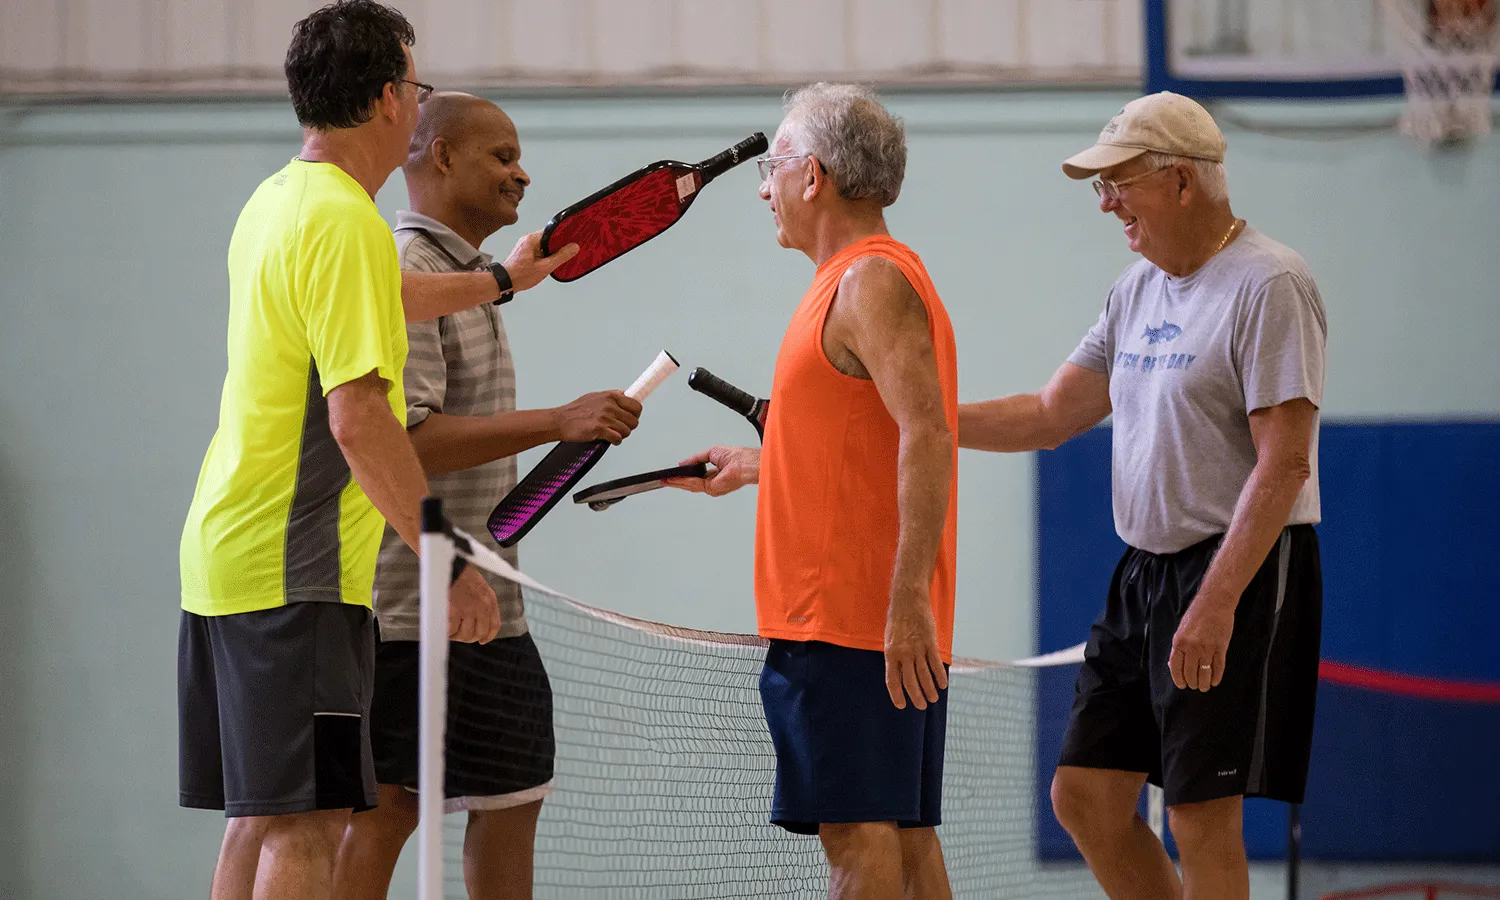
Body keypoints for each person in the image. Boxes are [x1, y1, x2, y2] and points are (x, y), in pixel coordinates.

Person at [176, 5, 577, 899]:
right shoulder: (348, 221)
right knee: (312, 827)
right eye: (418, 82)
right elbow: (362, 419)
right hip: (300, 568)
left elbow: (384, 295)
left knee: (263, 816)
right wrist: (442, 561)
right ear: (393, 98)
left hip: (227, 558)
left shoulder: (281, 201)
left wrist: (503, 280)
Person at [958, 92, 1327, 900]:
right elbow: (1052, 413)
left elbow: (1286, 463)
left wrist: (1218, 602)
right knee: (1084, 797)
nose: (1105, 202)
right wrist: (918, 423)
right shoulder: (1135, 290)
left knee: (1200, 817)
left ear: (1184, 183)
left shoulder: (1270, 283)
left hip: (1240, 568)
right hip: (1145, 572)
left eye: (1120, 181)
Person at [330, 92, 643, 900]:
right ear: (439, 157)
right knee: (385, 809)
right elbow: (413, 437)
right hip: (405, 608)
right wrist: (554, 420)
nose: (522, 172)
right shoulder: (406, 274)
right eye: (501, 157)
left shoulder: (469, 279)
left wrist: (566, 430)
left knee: (512, 799)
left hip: (492, 604)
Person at [668, 83, 959, 900]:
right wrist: (763, 464)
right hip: (856, 622)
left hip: (853, 624)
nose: (763, 188)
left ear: (814, 176)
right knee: (903, 842)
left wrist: (905, 602)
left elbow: (927, 432)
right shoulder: (852, 282)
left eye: (772, 168)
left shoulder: (868, 282)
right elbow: (861, 439)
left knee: (860, 844)